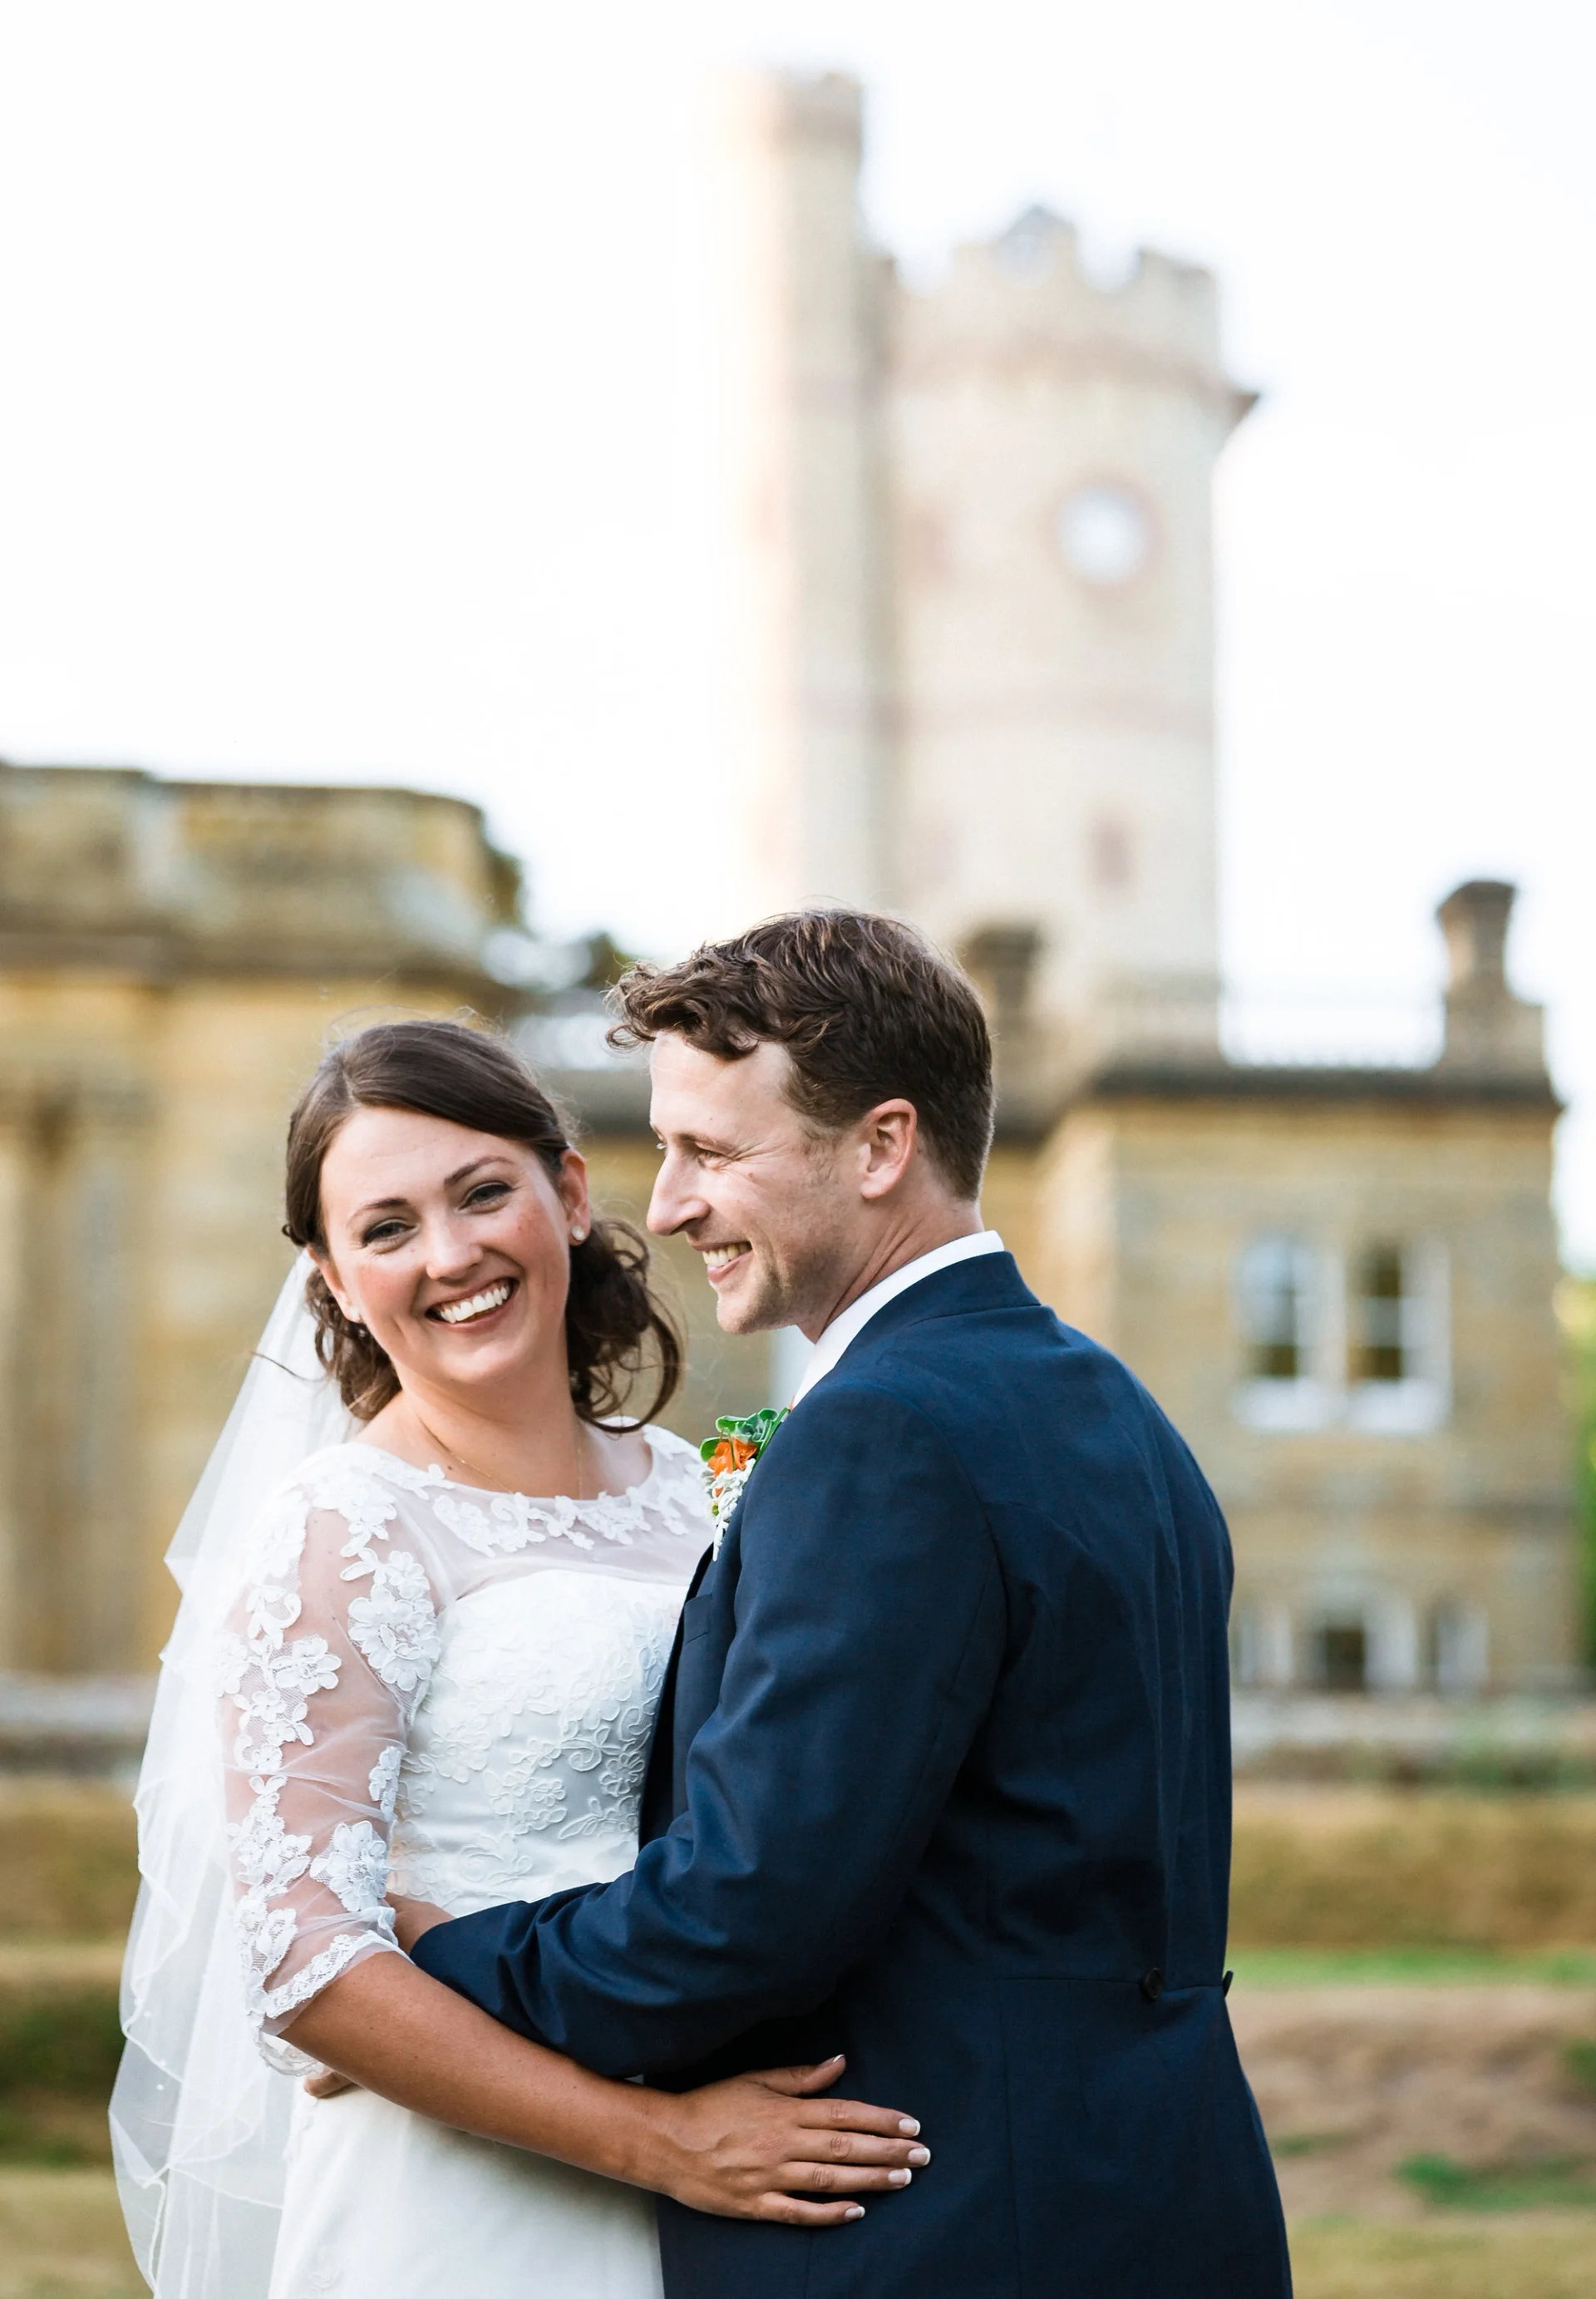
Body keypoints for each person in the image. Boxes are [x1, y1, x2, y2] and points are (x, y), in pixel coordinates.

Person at [378, 910, 1293, 2297]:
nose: (670, 1203)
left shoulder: (886, 1434)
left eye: (712, 1151)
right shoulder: (1117, 1408)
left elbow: (746, 1910)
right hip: (1163, 2194)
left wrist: (453, 1961)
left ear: (881, 1145)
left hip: (953, 2226)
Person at [111, 1019, 926, 2299]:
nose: (451, 1255)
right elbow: (308, 1967)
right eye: (384, 1228)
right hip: (465, 2194)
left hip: (738, 2175)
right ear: (329, 1275)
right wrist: (663, 2145)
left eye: (483, 1192)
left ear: (570, 1190)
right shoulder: (344, 1526)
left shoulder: (696, 1486)